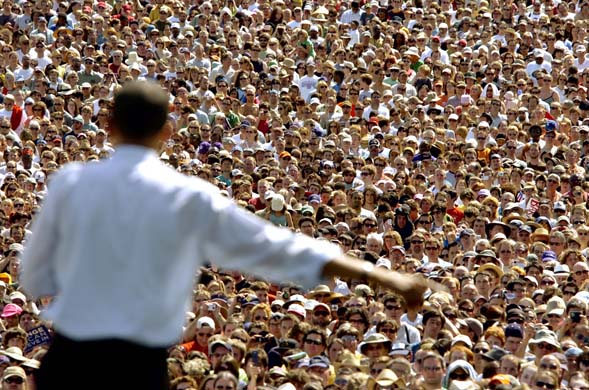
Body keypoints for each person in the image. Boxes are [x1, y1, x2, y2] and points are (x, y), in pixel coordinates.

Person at [20, 81, 427, 390]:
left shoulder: (70, 184)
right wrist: (381, 276)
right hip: (137, 368)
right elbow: (273, 246)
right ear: (167, 131)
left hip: (69, 362)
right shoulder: (187, 196)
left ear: (108, 125)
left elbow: (35, 276)